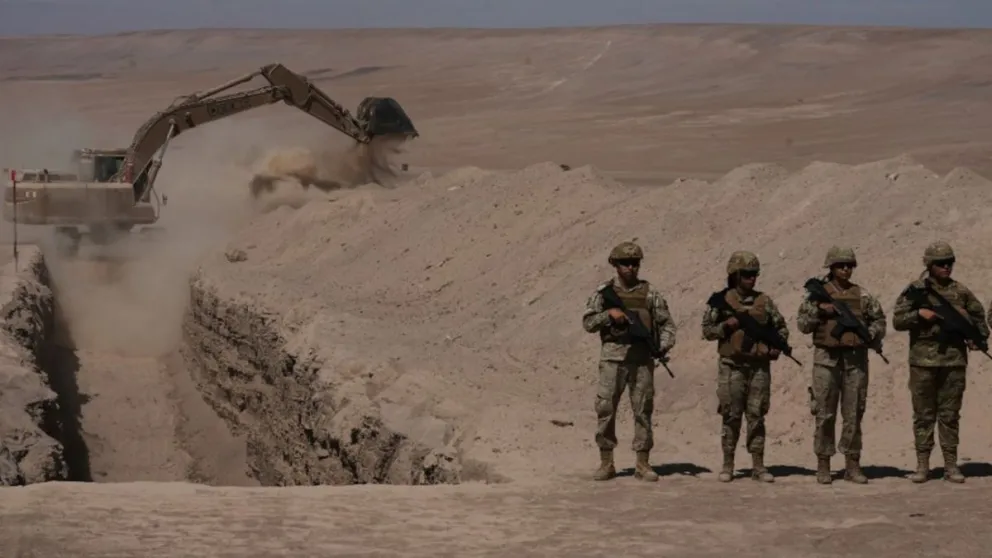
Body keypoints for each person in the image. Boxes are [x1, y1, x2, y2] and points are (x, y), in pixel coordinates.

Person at [892, 241, 990, 483]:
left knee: (950, 415)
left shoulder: (961, 292)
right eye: (941, 263)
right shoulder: (915, 290)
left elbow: (979, 319)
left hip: (953, 362)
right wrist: (919, 315)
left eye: (950, 262)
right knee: (924, 415)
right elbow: (898, 320)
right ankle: (923, 465)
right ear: (929, 265)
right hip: (922, 363)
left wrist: (977, 338)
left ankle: (950, 465)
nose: (947, 267)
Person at [582, 241, 677, 482]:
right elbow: (588, 323)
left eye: (635, 263)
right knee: (605, 409)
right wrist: (608, 315)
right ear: (615, 264)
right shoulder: (603, 292)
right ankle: (606, 462)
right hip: (613, 359)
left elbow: (667, 325)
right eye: (625, 263)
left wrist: (662, 345)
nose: (631, 268)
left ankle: (642, 463)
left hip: (641, 359)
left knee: (643, 410)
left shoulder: (650, 293)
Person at [795, 246, 887, 485]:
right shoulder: (817, 295)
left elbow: (879, 320)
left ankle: (852, 464)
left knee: (854, 413)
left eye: (849, 265)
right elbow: (803, 325)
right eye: (840, 265)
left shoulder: (862, 295)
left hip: (856, 360)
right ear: (831, 267)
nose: (845, 269)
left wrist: (870, 333)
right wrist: (819, 310)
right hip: (826, 360)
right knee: (824, 413)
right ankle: (823, 463)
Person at [701, 251, 789, 483]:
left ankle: (758, 466)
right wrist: (725, 327)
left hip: (759, 366)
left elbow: (780, 327)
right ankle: (728, 464)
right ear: (735, 275)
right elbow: (707, 331)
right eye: (747, 274)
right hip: (732, 366)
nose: (752, 279)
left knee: (757, 414)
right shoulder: (721, 300)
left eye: (754, 274)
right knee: (731, 414)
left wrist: (777, 347)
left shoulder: (764, 301)